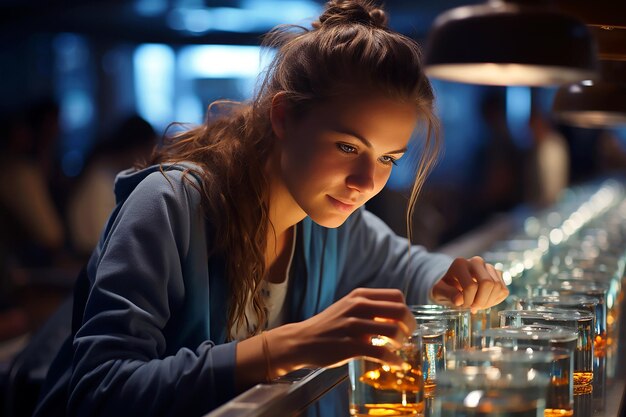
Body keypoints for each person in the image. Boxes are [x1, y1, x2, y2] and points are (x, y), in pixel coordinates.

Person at [34, 1, 509, 416]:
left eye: (387, 159)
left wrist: (458, 276)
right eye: (347, 147)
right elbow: (99, 392)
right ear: (283, 116)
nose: (366, 183)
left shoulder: (332, 221)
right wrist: (290, 344)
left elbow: (412, 269)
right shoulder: (168, 205)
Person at [67, 115, 157, 256]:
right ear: (135, 148)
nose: (150, 159)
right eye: (148, 151)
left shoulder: (110, 173)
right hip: (89, 261)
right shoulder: (101, 178)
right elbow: (102, 236)